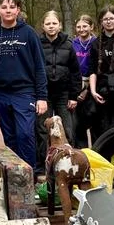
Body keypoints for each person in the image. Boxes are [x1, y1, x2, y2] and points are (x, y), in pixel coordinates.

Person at [0, 0, 47, 174]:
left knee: (25, 134)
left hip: (25, 92)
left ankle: (29, 175)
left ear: (18, 10)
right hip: (0, 94)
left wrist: (42, 97)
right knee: (10, 138)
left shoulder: (29, 33)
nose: (8, 10)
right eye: (4, 7)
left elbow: (40, 67)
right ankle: (15, 178)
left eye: (12, 7)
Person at [36, 11, 81, 164]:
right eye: (48, 24)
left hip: (64, 93)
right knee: (43, 128)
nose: (51, 26)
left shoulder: (69, 44)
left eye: (54, 23)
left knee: (67, 128)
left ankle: (69, 161)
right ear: (43, 26)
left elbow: (75, 71)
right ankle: (44, 163)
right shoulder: (37, 43)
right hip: (44, 93)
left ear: (60, 25)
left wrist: (74, 96)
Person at [88, 5, 114, 138]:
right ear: (101, 21)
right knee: (101, 126)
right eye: (105, 19)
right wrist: (93, 91)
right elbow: (92, 69)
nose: (109, 21)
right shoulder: (95, 43)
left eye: (111, 18)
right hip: (102, 89)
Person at [71, 14, 96, 147]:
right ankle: (81, 151)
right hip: (76, 83)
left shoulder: (96, 42)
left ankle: (96, 151)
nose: (82, 29)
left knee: (92, 120)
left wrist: (87, 89)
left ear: (91, 27)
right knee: (78, 123)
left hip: (92, 84)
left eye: (85, 26)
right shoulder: (72, 43)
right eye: (79, 27)